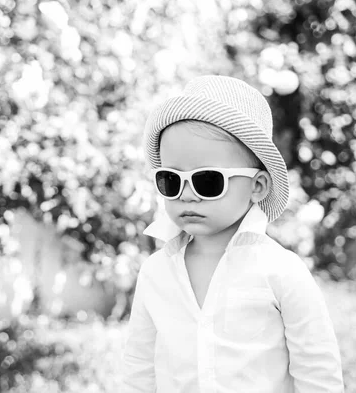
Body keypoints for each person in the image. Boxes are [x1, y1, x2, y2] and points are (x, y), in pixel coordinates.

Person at [120, 75, 344, 392]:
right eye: (171, 180)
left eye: (208, 181)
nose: (186, 194)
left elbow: (318, 371)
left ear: (257, 186)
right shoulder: (155, 271)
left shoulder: (281, 270)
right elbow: (138, 370)